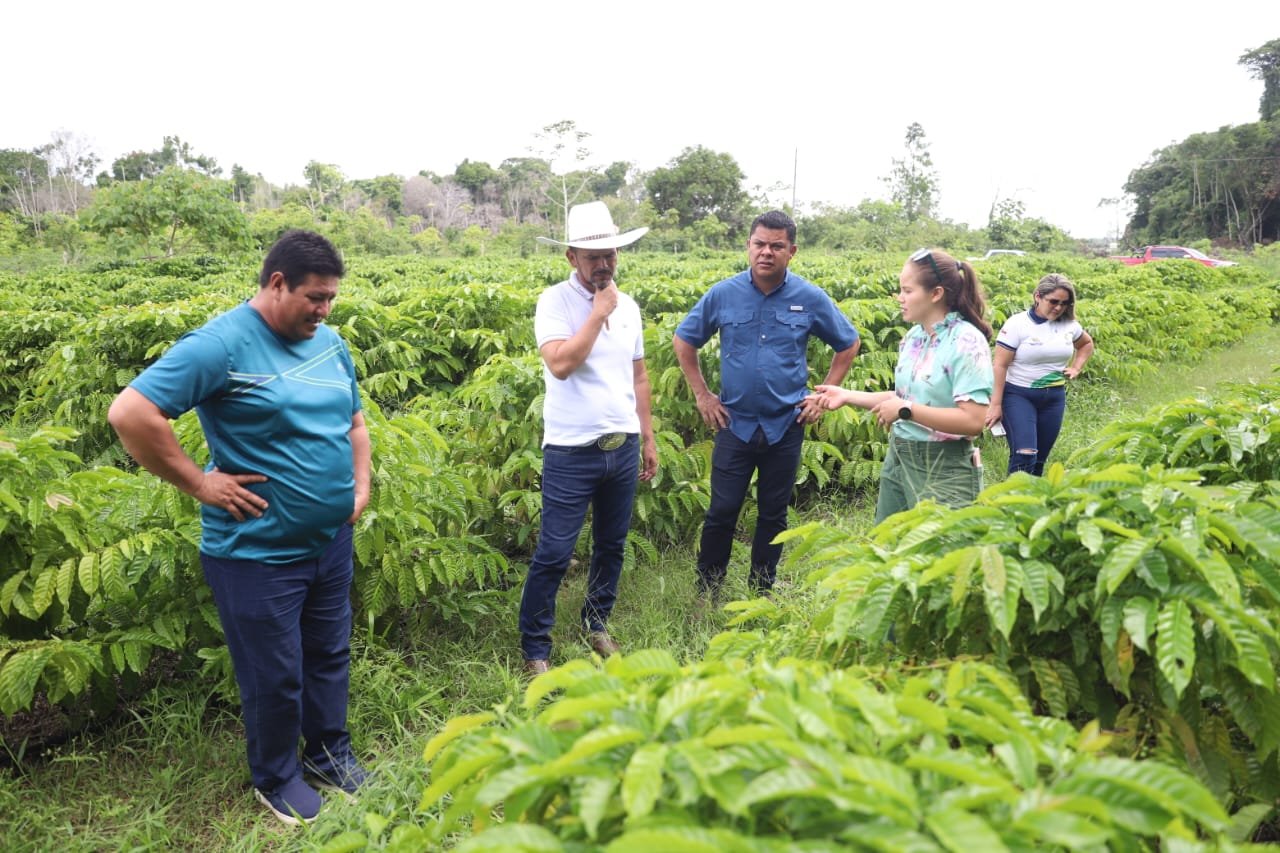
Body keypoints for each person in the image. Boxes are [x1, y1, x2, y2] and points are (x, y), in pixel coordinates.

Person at [107, 230, 370, 826]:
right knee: (273, 673)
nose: (325, 310)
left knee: (329, 654)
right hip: (257, 553)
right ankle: (276, 777)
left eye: (332, 298)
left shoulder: (330, 344)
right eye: (316, 297)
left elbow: (354, 423)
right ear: (277, 283)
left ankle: (329, 755)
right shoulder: (221, 345)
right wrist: (201, 485)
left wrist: (360, 488)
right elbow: (131, 413)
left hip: (330, 541)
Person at [673, 210, 860, 598]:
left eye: (777, 246)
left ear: (792, 251)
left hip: (786, 423)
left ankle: (762, 592)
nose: (766, 252)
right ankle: (707, 590)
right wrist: (702, 395)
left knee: (773, 513)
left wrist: (823, 396)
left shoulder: (809, 298)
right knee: (721, 511)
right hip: (734, 422)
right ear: (748, 246)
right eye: (759, 244)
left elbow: (848, 343)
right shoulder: (723, 294)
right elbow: (684, 340)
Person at [520, 202, 659, 676]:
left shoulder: (630, 306)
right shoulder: (554, 302)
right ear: (571, 257)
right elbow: (560, 364)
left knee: (611, 544)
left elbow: (639, 376)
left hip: (621, 445)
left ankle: (596, 623)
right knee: (555, 552)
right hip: (571, 450)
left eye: (610, 254)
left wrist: (647, 437)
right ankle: (535, 647)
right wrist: (597, 314)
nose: (603, 264)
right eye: (592, 256)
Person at [809, 247, 993, 523]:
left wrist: (906, 410)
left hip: (943, 464)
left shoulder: (967, 342)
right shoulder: (915, 337)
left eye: (907, 291)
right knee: (890, 542)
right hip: (900, 455)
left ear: (936, 294)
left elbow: (973, 420)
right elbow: (907, 396)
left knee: (941, 545)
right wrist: (846, 395)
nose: (900, 298)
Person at [985, 273, 1094, 476]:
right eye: (1053, 301)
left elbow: (1086, 344)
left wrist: (1076, 368)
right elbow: (999, 365)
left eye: (1064, 303)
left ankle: (1031, 496)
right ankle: (1012, 495)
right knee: (1025, 454)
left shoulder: (1069, 325)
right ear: (1038, 296)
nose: (1059, 308)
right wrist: (995, 404)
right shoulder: (1017, 324)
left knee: (1038, 461)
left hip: (1054, 398)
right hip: (1018, 395)